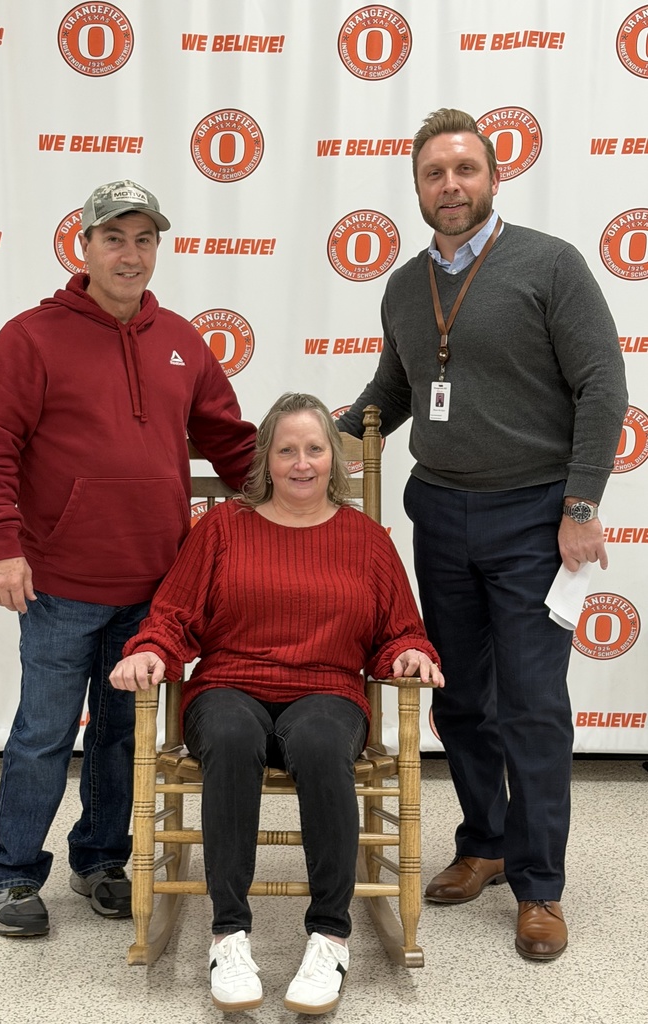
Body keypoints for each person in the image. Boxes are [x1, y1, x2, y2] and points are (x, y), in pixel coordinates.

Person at [339, 109, 628, 961]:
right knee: (461, 697)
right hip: (442, 515)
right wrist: (315, 436)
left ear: (493, 178)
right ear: (419, 187)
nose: (451, 186)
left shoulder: (550, 265)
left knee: (533, 707)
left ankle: (540, 887)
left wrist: (581, 508)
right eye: (435, 173)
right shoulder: (404, 285)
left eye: (466, 170)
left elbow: (602, 389)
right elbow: (391, 392)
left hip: (536, 517)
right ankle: (486, 843)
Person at [0, 179, 256, 938]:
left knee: (123, 738)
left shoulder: (183, 341)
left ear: (159, 247)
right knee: (42, 733)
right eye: (114, 238)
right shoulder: (32, 337)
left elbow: (230, 441)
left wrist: (304, 482)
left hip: (155, 591)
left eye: (144, 239)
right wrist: (3, 546)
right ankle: (14, 873)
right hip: (58, 583)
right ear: (83, 246)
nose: (131, 254)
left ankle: (101, 860)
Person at [110, 392, 443, 1013]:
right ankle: (228, 934)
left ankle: (329, 937)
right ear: (266, 458)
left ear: (333, 461)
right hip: (228, 685)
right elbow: (173, 615)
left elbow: (400, 629)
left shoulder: (366, 540)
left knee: (319, 743)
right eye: (286, 449)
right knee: (232, 741)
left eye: (315, 449)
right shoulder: (221, 529)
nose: (302, 463)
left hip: (327, 689)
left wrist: (409, 656)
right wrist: (151, 651)